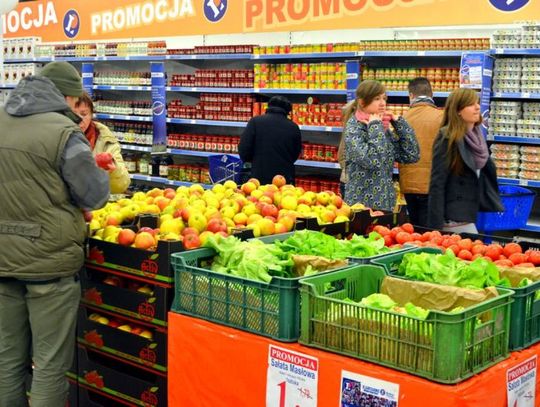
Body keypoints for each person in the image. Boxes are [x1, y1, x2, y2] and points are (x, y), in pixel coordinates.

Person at [0, 62, 110, 407]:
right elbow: (93, 195)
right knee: (48, 367)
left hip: (3, 262)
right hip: (49, 265)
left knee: (7, 363)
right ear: (66, 96)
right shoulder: (64, 132)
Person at [427, 88, 503, 233]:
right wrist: (435, 229)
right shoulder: (447, 137)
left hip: (471, 213)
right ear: (458, 111)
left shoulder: (477, 138)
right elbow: (437, 183)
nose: (477, 107)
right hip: (452, 218)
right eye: (471, 104)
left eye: (477, 103)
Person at [340, 80, 419, 211]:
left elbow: (411, 155)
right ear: (362, 102)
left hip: (385, 204)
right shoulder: (354, 128)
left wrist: (399, 123)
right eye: (377, 99)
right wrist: (375, 126)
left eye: (384, 98)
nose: (382, 103)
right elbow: (372, 161)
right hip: (362, 206)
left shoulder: (382, 128)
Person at [399, 77, 443, 226]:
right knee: (430, 232)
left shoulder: (403, 119)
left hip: (409, 184)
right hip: (433, 185)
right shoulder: (441, 117)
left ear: (411, 95)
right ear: (432, 94)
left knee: (415, 228)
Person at [74, 92, 131, 194]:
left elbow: (122, 185)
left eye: (84, 114)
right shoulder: (55, 138)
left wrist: (114, 171)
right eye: (72, 114)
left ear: (91, 114)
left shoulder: (105, 139)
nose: (79, 120)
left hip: (95, 201)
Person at [238, 95, 302, 185]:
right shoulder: (293, 127)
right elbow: (296, 153)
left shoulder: (255, 122)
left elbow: (244, 149)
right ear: (288, 111)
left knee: (259, 194)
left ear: (268, 106)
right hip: (283, 179)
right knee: (283, 195)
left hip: (259, 176)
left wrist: (254, 162)